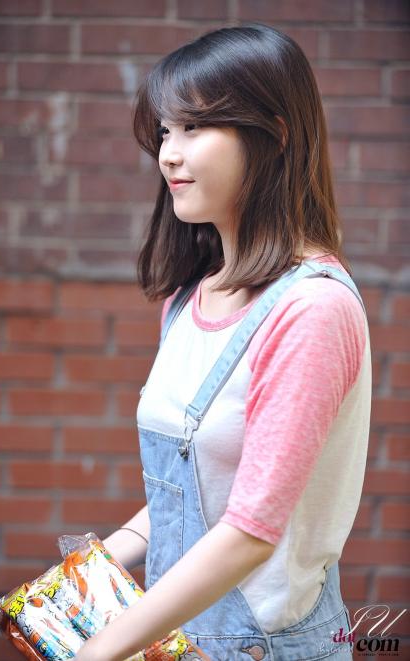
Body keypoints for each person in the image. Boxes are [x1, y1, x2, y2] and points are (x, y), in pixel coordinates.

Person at [73, 22, 372, 661]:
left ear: (274, 134)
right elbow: (195, 491)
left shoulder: (312, 309)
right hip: (181, 640)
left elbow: (250, 532)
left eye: (194, 127)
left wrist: (101, 650)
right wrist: (83, 576)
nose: (168, 154)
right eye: (164, 131)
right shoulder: (189, 299)